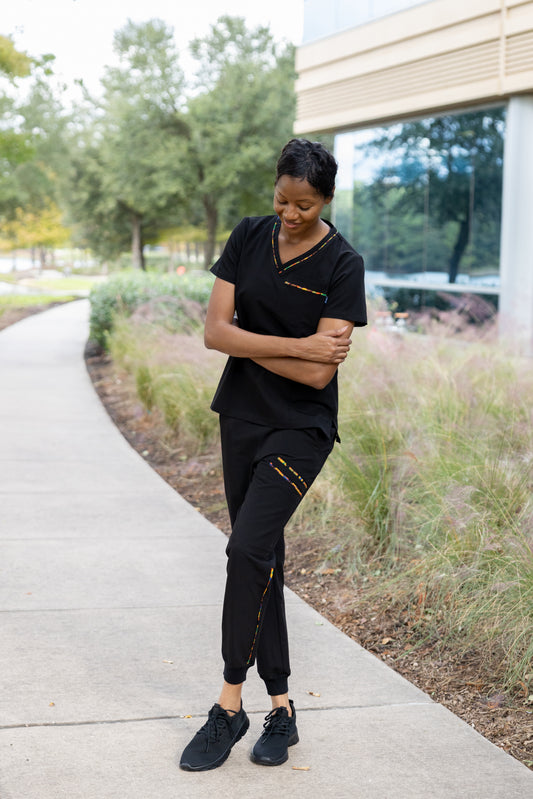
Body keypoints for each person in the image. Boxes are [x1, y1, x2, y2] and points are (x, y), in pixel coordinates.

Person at [179, 138, 367, 772]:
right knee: (261, 558)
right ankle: (282, 708)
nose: (289, 214)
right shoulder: (247, 235)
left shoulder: (344, 264)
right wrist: (300, 345)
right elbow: (215, 333)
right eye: (283, 200)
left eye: (304, 205)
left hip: (301, 429)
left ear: (327, 200)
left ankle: (228, 703)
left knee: (245, 549)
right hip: (242, 416)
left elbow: (318, 376)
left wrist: (252, 343)